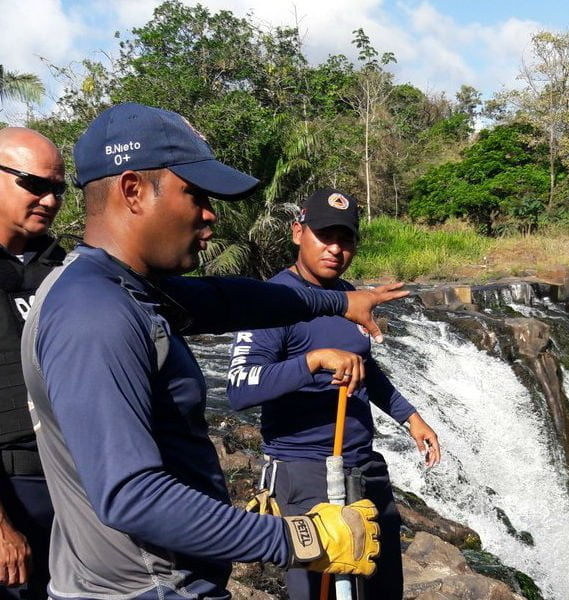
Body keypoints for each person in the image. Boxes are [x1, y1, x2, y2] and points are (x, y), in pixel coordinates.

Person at [20, 103, 407, 600]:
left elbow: (233, 300)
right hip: (148, 589)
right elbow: (131, 496)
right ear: (133, 189)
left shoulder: (128, 287)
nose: (210, 213)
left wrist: (341, 301)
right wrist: (299, 538)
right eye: (195, 194)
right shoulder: (95, 313)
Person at [226, 188, 441, 600]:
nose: (335, 248)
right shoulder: (270, 301)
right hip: (303, 476)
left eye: (345, 239)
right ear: (297, 233)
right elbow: (238, 388)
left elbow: (366, 367)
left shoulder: (350, 297)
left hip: (363, 468)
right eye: (324, 235)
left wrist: (410, 418)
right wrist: (315, 360)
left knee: (381, 590)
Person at [0, 127, 66, 600]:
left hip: (68, 481)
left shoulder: (65, 269)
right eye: (33, 184)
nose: (48, 198)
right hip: (10, 485)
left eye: (57, 188)